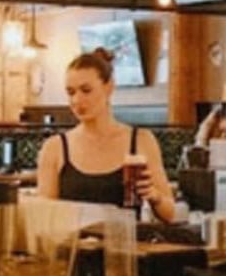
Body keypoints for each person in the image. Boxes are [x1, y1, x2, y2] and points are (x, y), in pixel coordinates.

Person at [36, 48, 178, 221]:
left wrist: (155, 197)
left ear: (109, 87)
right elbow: (43, 218)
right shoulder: (55, 147)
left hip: (126, 245)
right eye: (71, 92)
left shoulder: (141, 140)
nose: (77, 100)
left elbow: (170, 214)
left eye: (86, 90)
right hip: (73, 246)